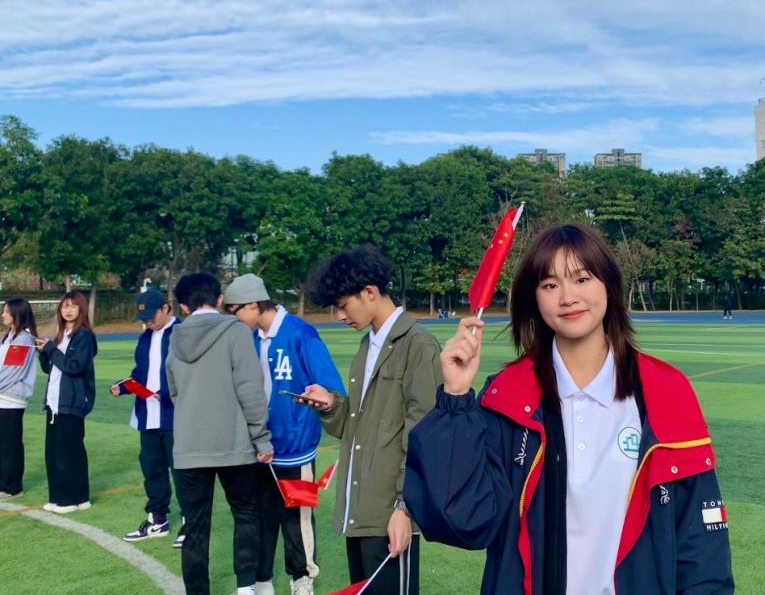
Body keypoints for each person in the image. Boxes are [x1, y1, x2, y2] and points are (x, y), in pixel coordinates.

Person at [404, 224, 734, 595]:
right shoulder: (507, 396)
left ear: (608, 285)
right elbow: (463, 521)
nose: (567, 297)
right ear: (534, 298)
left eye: (582, 279)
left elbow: (701, 547)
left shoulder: (666, 391)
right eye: (550, 285)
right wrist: (455, 396)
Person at [299, 246, 443, 595]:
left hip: (390, 514)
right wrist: (332, 405)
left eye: (343, 305)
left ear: (369, 292)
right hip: (359, 511)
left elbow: (424, 436)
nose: (339, 316)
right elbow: (360, 427)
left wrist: (404, 508)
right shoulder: (368, 345)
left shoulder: (418, 346)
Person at [223, 273, 344, 595]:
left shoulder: (300, 334)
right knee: (260, 517)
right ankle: (262, 581)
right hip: (259, 446)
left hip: (295, 447)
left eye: (235, 311)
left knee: (297, 518)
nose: (234, 319)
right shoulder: (250, 338)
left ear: (253, 305)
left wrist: (305, 413)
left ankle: (302, 580)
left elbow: (331, 389)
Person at [165, 272, 274, 595]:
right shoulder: (236, 332)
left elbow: (174, 390)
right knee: (246, 514)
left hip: (189, 446)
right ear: (220, 299)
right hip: (233, 443)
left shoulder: (175, 337)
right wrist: (261, 437)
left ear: (183, 306)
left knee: (195, 527)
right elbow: (250, 389)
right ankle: (246, 588)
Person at [110, 289, 186, 547]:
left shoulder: (182, 334)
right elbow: (140, 372)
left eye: (152, 316)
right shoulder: (144, 338)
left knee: (182, 471)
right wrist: (124, 386)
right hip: (147, 416)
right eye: (143, 318)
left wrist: (166, 394)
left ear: (166, 308)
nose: (148, 322)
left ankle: (190, 522)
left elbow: (189, 374)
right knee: (152, 469)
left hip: (174, 416)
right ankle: (157, 519)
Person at [35, 290, 97, 513]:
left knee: (69, 452)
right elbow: (50, 368)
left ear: (81, 309)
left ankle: (70, 500)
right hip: (54, 404)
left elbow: (73, 366)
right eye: (64, 306)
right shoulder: (61, 335)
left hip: (72, 402)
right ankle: (61, 497)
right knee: (54, 453)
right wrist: (44, 352)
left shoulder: (84, 336)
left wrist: (51, 349)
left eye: (73, 306)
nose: (68, 310)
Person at [0, 298, 38, 500]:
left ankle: (12, 487)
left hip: (11, 400)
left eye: (7, 311)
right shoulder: (8, 337)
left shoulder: (23, 339)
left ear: (17, 313)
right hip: (2, 398)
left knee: (10, 445)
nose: (3, 314)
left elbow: (11, 372)